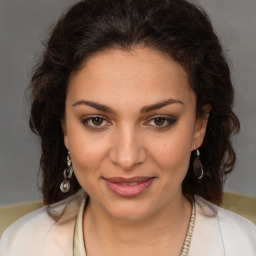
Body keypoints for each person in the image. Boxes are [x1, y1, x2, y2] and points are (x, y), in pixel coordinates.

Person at [0, 0, 255, 255]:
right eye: (96, 120)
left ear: (199, 127)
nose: (127, 158)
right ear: (65, 128)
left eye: (159, 120)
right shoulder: (18, 246)